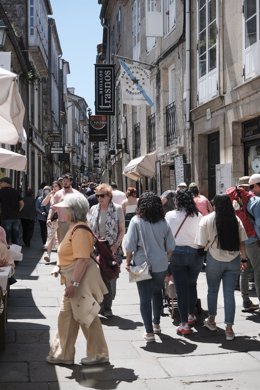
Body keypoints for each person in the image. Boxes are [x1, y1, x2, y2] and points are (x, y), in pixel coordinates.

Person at [46, 193, 109, 366]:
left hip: (79, 280)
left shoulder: (80, 229)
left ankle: (99, 354)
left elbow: (81, 259)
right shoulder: (74, 227)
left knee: (87, 316)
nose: (59, 210)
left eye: (63, 207)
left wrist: (73, 284)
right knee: (66, 317)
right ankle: (64, 354)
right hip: (72, 278)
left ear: (73, 210)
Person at [195, 194, 248, 341]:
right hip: (233, 259)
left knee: (212, 291)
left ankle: (211, 320)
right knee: (229, 293)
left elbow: (200, 243)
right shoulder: (235, 219)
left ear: (215, 205)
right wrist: (243, 258)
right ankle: (229, 329)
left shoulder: (207, 219)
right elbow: (242, 242)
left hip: (214, 260)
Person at [124, 192, 175, 342]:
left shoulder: (136, 221)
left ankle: (149, 332)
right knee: (157, 293)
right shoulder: (163, 222)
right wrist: (165, 260)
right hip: (160, 264)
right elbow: (171, 247)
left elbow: (130, 246)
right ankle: (157, 324)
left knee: (144, 298)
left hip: (141, 264)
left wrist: (127, 262)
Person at [165, 189, 204, 335]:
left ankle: (184, 324)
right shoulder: (198, 216)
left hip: (177, 254)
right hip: (195, 254)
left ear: (177, 201)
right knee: (192, 285)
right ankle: (191, 315)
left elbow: (166, 235)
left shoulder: (169, 215)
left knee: (181, 290)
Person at [88, 183, 125, 317]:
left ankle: (108, 305)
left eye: (102, 195)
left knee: (111, 278)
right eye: (97, 195)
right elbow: (89, 229)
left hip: (112, 250)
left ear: (109, 196)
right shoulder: (93, 209)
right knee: (97, 279)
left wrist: (116, 245)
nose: (99, 198)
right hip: (96, 249)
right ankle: (101, 306)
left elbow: (122, 230)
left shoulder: (117, 209)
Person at [226, 176, 259, 311]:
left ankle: (246, 301)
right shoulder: (253, 200)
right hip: (252, 240)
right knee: (258, 271)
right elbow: (258, 224)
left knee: (245, 269)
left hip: (241, 240)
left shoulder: (235, 199)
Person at [50, 174, 80, 243]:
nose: (65, 182)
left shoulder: (76, 193)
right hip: (62, 223)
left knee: (73, 242)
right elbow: (53, 207)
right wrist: (49, 218)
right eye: (64, 181)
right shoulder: (58, 194)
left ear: (70, 182)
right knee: (62, 243)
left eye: (67, 181)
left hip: (73, 222)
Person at [42, 181, 62, 262]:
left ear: (60, 187)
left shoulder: (62, 194)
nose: (54, 188)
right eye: (53, 186)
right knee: (50, 236)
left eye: (56, 186)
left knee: (60, 238)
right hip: (52, 218)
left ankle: (60, 256)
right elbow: (43, 203)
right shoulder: (52, 194)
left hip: (61, 218)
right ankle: (48, 254)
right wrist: (49, 194)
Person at [0, 177, 24, 245]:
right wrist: (18, 211)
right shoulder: (16, 191)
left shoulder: (1, 192)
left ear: (5, 183)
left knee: (7, 237)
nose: (0, 184)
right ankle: (17, 252)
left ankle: (9, 253)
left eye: (1, 182)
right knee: (16, 236)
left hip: (6, 217)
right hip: (16, 217)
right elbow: (22, 204)